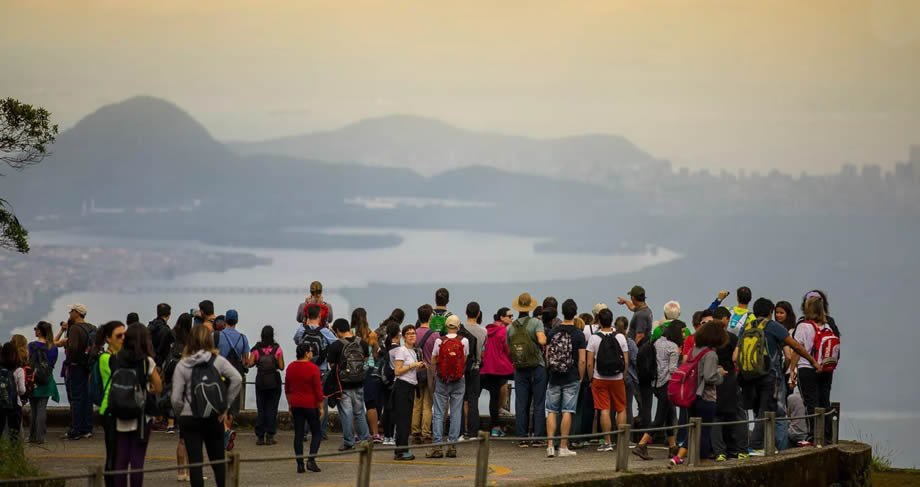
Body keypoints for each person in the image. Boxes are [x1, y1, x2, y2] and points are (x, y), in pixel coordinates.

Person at [738, 298, 821, 454]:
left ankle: (759, 448)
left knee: (759, 413)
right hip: (771, 377)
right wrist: (813, 362)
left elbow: (736, 356)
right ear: (770, 312)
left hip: (750, 377)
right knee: (780, 414)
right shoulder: (773, 326)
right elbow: (794, 347)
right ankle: (781, 452)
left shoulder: (747, 327)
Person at [171, 325, 243, 487]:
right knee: (218, 462)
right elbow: (237, 379)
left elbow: (175, 398)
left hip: (190, 417)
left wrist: (181, 413)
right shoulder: (218, 361)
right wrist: (225, 406)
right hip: (213, 416)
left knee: (196, 464)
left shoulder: (183, 364)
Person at [111, 324, 163, 487]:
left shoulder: (117, 358)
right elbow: (158, 386)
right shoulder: (146, 361)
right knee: (137, 462)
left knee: (121, 461)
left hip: (120, 413)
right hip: (140, 416)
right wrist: (148, 389)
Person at [670, 321, 728, 466]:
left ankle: (682, 457)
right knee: (705, 430)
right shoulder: (711, 354)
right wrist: (720, 374)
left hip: (692, 395)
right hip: (706, 396)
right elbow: (709, 377)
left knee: (694, 429)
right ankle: (703, 460)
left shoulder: (693, 350)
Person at [633, 320, 684, 460]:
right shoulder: (673, 347)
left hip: (655, 384)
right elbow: (673, 369)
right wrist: (684, 372)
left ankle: (673, 447)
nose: (684, 333)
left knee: (668, 415)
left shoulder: (657, 342)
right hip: (667, 384)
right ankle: (641, 445)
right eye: (682, 331)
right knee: (660, 418)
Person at [544, 299, 586, 458]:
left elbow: (547, 355)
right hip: (571, 376)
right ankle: (563, 447)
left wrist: (550, 372)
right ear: (575, 313)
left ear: (562, 312)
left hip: (554, 376)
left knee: (552, 411)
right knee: (568, 410)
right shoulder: (578, 334)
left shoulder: (552, 332)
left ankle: (549, 446)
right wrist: (580, 377)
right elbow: (582, 360)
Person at [506, 292, 548, 447]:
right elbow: (542, 340)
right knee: (538, 402)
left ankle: (521, 438)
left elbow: (509, 347)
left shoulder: (511, 327)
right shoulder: (536, 323)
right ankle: (538, 438)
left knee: (521, 403)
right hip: (537, 365)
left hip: (519, 367)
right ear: (530, 307)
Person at [792, 294, 835, 447]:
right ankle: (827, 436)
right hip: (825, 369)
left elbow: (797, 349)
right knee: (824, 401)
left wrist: (792, 370)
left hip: (807, 368)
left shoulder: (803, 326)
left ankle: (812, 437)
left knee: (811, 402)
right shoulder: (827, 326)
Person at [585, 308, 629, 452]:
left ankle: (608, 442)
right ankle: (622, 441)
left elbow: (590, 362)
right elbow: (626, 361)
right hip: (617, 378)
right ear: (611, 320)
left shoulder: (594, 338)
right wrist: (623, 374)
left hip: (600, 378)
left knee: (604, 409)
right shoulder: (621, 337)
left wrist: (591, 377)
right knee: (621, 408)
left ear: (598, 321)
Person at [427, 315, 470, 458]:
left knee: (439, 413)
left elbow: (433, 360)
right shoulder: (464, 341)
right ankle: (452, 446)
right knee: (456, 412)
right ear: (458, 327)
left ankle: (437, 446)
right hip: (458, 380)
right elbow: (464, 359)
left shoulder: (439, 341)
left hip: (442, 379)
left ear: (446, 325)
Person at [325, 318, 371, 451]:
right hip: (359, 382)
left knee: (346, 414)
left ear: (338, 330)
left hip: (343, 385)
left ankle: (349, 442)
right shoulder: (361, 342)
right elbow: (366, 359)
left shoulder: (336, 345)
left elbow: (332, 365)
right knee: (360, 412)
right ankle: (365, 439)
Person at [294, 304, 337, 439]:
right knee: (322, 399)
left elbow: (296, 341)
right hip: (321, 369)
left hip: (305, 368)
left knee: (306, 398)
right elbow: (335, 344)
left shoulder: (302, 329)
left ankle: (304, 432)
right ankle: (320, 431)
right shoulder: (324, 331)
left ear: (306, 316)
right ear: (319, 316)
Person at [709, 307, 745, 461]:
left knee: (716, 415)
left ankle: (719, 451)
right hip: (730, 378)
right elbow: (736, 358)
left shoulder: (708, 338)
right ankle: (736, 449)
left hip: (713, 378)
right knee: (733, 414)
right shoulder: (731, 338)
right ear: (724, 319)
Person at [159, 313, 192, 478]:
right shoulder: (191, 339)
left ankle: (180, 472)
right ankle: (192, 473)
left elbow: (161, 354)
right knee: (190, 438)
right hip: (189, 389)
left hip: (172, 378)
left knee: (181, 439)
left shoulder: (170, 334)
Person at [94, 321, 127, 487]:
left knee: (121, 455)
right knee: (113, 454)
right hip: (110, 409)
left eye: (124, 335)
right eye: (119, 336)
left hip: (121, 409)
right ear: (108, 339)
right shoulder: (105, 358)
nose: (123, 338)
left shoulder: (119, 356)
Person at [285, 342, 324, 473]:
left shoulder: (290, 367)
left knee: (299, 434)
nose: (312, 353)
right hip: (310, 404)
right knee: (317, 433)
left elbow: (287, 389)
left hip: (296, 404)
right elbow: (318, 390)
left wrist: (290, 404)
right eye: (311, 351)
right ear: (306, 353)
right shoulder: (313, 368)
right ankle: (311, 460)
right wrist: (321, 406)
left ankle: (300, 463)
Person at [214, 309, 248, 451]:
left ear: (225, 321)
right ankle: (226, 432)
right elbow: (246, 360)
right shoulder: (243, 338)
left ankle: (225, 432)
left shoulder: (215, 336)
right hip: (235, 375)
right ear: (237, 321)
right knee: (231, 408)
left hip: (219, 374)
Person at [61, 303, 95, 440]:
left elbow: (73, 348)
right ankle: (87, 428)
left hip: (76, 367)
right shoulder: (92, 328)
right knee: (87, 398)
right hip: (88, 367)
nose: (69, 313)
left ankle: (75, 430)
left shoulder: (75, 329)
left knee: (76, 398)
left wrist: (68, 361)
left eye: (71, 311)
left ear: (76, 313)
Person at [392, 324, 425, 461]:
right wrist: (413, 365)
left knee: (407, 420)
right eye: (409, 334)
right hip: (402, 387)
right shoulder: (401, 350)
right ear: (404, 337)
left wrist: (420, 367)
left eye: (413, 333)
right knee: (402, 420)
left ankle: (404, 448)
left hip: (411, 386)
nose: (412, 336)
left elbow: (410, 370)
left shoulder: (413, 351)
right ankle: (401, 450)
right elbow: (397, 371)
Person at [480, 307, 514, 436]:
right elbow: (508, 350)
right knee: (495, 399)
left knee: (473, 399)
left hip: (484, 369)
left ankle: (467, 429)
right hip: (498, 370)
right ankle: (495, 428)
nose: (512, 318)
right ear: (501, 317)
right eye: (510, 316)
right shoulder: (504, 332)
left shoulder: (486, 331)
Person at [249, 326, 285, 446]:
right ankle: (270, 436)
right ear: (273, 335)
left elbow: (250, 364)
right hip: (274, 381)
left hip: (261, 380)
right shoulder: (277, 349)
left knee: (261, 408)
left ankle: (260, 436)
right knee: (272, 409)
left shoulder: (256, 349)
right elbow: (281, 367)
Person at [351, 308, 382, 443]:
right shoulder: (372, 334)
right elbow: (375, 353)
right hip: (368, 369)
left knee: (354, 403)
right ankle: (375, 434)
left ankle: (355, 434)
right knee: (370, 403)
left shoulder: (350, 333)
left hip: (353, 369)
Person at [28, 321, 60, 444]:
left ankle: (32, 436)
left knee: (33, 409)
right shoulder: (53, 348)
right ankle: (40, 437)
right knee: (42, 408)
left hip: (33, 380)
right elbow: (52, 364)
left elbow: (28, 361)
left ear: (40, 331)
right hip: (47, 380)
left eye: (35, 328)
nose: (34, 330)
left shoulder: (31, 346)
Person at [461, 301, 487, 440]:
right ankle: (472, 432)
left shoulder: (460, 328)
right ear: (478, 314)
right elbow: (483, 352)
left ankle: (460, 430)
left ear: (466, 312)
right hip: (475, 368)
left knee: (460, 400)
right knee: (473, 400)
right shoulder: (483, 331)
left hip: (461, 369)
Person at [412, 304, 437, 443]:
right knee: (428, 404)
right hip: (429, 372)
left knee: (417, 403)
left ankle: (415, 432)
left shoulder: (413, 334)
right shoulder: (435, 335)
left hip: (415, 371)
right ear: (430, 317)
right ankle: (426, 432)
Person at [379, 320, 401, 446]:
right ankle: (391, 435)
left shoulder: (384, 348)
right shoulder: (398, 350)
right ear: (398, 335)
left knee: (386, 409)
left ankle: (386, 436)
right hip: (394, 382)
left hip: (384, 382)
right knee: (393, 410)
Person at [0, 342, 26, 441]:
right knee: (14, 432)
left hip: (1, 404)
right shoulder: (19, 370)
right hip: (14, 404)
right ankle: (14, 453)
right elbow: (22, 390)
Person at [148, 303, 172, 368]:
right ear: (169, 315)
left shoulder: (150, 325)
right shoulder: (166, 330)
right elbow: (165, 351)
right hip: (159, 364)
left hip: (149, 360)